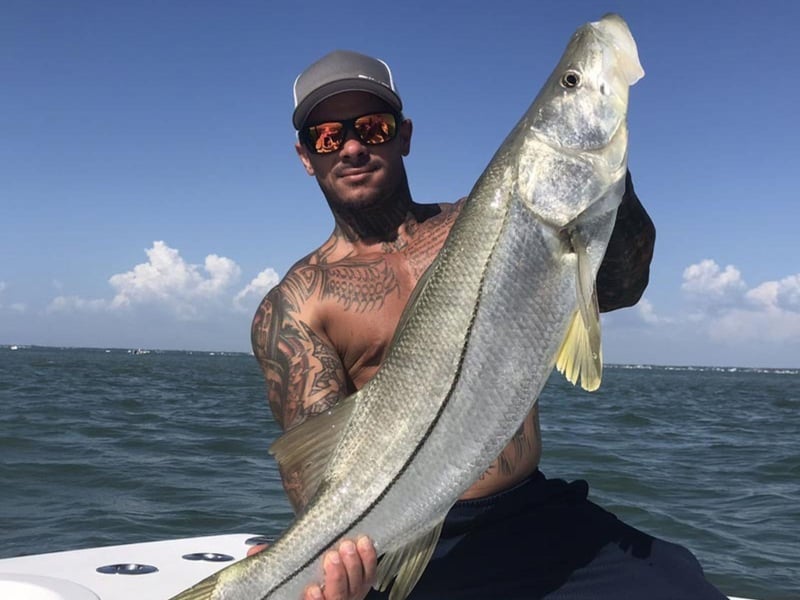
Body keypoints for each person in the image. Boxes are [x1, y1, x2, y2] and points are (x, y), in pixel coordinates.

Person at [250, 50, 726, 600]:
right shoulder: (295, 305)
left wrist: (598, 161)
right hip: (398, 541)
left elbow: (621, 287)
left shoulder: (490, 221)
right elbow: (315, 474)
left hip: (530, 512)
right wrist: (324, 568)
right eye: (328, 136)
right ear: (306, 156)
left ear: (403, 135)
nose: (353, 147)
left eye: (372, 127)